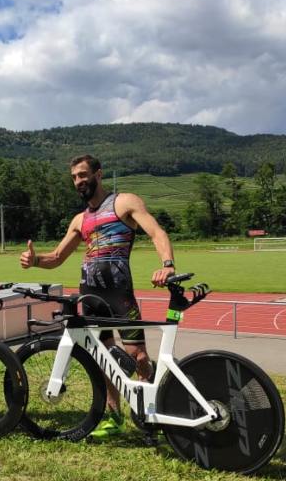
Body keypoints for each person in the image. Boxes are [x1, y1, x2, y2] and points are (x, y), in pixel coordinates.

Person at [20, 154, 176, 438]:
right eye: (75, 177)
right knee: (103, 357)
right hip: (90, 296)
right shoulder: (80, 219)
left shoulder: (124, 203)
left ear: (98, 174)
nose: (79, 181)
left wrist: (167, 265)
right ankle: (113, 415)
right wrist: (35, 261)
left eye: (83, 175)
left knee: (137, 355)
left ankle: (153, 411)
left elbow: (156, 232)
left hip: (119, 294)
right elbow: (56, 257)